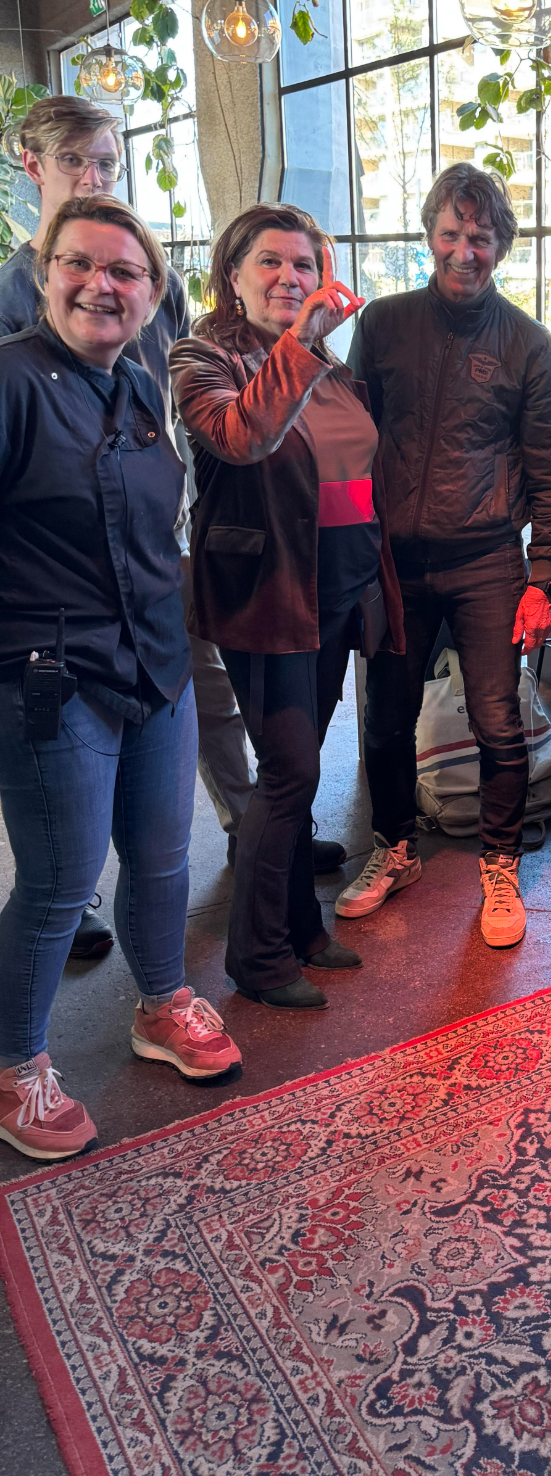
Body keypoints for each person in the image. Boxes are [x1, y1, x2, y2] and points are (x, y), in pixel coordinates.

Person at [0, 96, 319, 966]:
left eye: (107, 161)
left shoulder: (150, 342)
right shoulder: (15, 332)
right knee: (62, 843)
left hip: (160, 551)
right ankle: (72, 896)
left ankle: (243, 832)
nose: (94, 176)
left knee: (192, 728)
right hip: (56, 604)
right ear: (34, 168)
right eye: (77, 162)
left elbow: (169, 415)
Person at [0, 195, 242, 1163]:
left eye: (124, 271)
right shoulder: (10, 381)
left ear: (151, 294)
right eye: (80, 264)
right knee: (61, 882)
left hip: (156, 662)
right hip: (50, 676)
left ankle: (161, 1001)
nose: (101, 285)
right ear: (46, 274)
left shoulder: (141, 383)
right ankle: (16, 1062)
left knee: (162, 856)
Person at [170, 206, 404, 1010]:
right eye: (269, 261)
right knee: (292, 770)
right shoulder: (203, 357)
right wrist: (300, 343)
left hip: (338, 591)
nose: (289, 277)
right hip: (269, 595)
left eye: (304, 264)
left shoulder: (327, 362)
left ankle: (302, 927)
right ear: (232, 275)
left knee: (295, 776)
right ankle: (258, 956)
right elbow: (241, 437)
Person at [342, 163, 551, 948]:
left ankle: (500, 863)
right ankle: (396, 849)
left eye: (480, 238)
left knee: (498, 723)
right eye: (450, 234)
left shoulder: (530, 346)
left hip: (487, 563)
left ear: (501, 246)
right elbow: (352, 437)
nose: (464, 251)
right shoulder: (383, 324)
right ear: (429, 235)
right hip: (394, 563)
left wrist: (543, 578)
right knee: (386, 718)